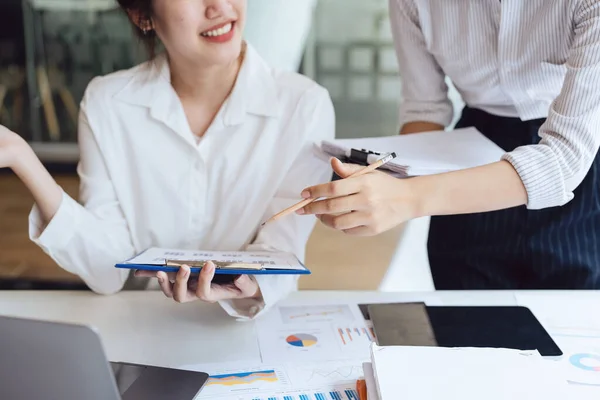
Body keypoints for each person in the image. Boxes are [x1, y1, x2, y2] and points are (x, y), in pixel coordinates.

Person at [0, 0, 334, 319]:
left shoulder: (305, 107)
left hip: (250, 328)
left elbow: (281, 251)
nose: (219, 6)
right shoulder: (108, 104)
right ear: (142, 15)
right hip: (143, 325)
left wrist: (247, 285)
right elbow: (107, 268)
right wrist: (21, 157)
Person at [297, 0, 600, 290]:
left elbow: (566, 158)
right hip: (467, 160)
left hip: (580, 159)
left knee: (573, 327)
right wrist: (384, 182)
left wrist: (405, 198)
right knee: (464, 324)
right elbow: (424, 109)